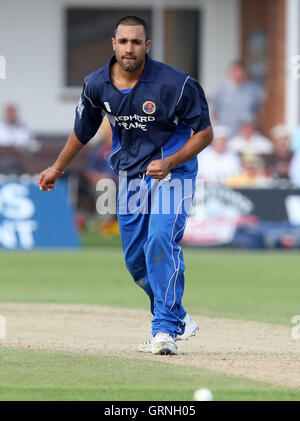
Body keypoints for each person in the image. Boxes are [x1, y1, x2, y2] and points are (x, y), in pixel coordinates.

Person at [38, 16, 213, 355]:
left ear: (147, 46)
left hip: (172, 175)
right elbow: (83, 130)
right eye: (124, 41)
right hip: (131, 178)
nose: (129, 48)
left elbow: (205, 133)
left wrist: (170, 162)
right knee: (136, 261)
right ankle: (176, 314)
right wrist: (57, 168)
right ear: (113, 44)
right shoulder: (96, 84)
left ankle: (163, 329)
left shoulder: (176, 84)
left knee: (160, 240)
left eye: (136, 42)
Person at [212, 60, 264, 136]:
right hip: (226, 134)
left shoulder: (253, 90)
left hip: (245, 136)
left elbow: (258, 111)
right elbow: (214, 112)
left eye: (241, 72)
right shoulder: (220, 90)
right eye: (236, 71)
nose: (239, 74)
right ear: (231, 72)